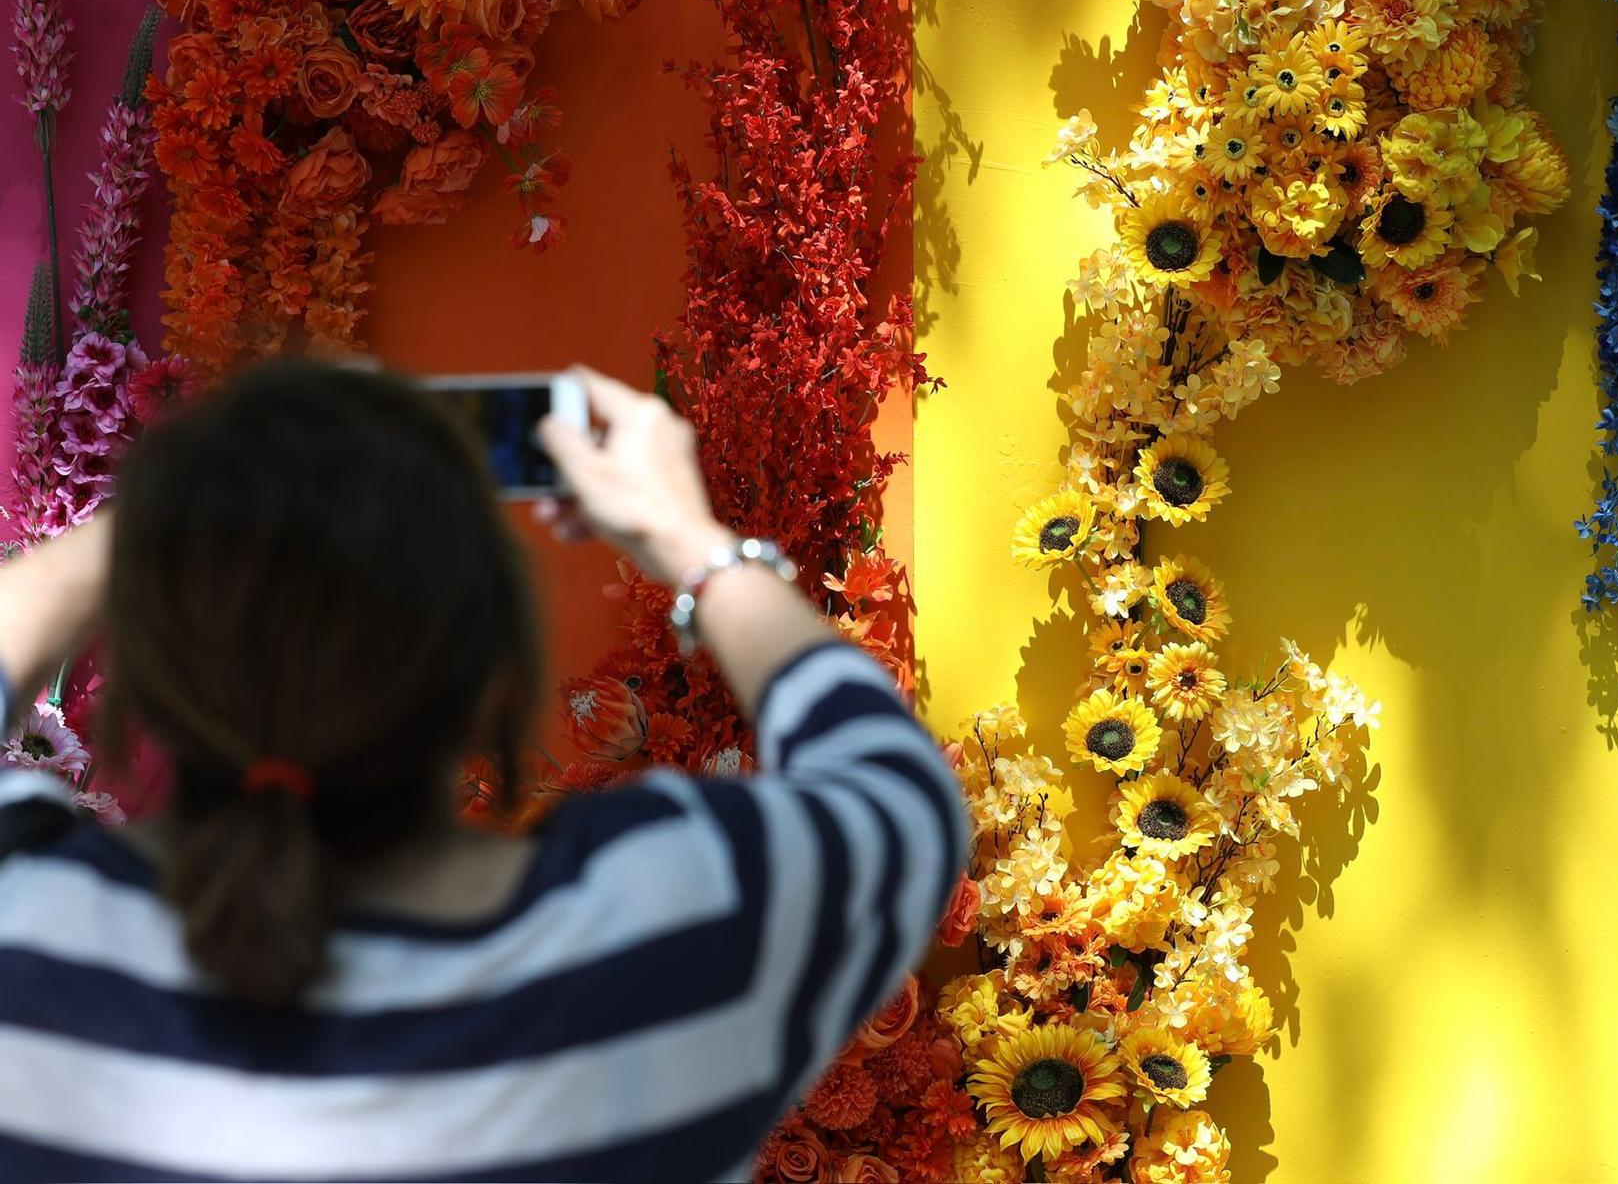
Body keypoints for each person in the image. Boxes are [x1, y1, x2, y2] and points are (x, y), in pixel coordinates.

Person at [0, 361, 967, 1181]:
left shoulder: (32, 944)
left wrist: (133, 537)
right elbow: (901, 796)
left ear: (149, 671)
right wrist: (691, 543)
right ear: (493, 679)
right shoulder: (671, 937)